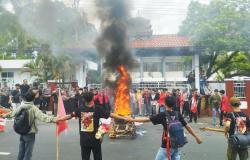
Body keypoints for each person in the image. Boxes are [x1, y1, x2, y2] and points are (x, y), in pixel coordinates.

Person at [57, 91, 129, 160]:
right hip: (96, 139)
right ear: (93, 98)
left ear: (84, 99)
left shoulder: (80, 109)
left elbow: (69, 116)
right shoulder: (98, 109)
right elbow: (110, 114)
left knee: (85, 158)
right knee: (97, 158)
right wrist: (123, 117)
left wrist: (59, 119)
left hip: (84, 140)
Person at [130, 96, 202, 160]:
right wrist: (196, 137)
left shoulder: (163, 115)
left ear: (165, 104)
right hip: (178, 144)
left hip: (166, 146)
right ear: (174, 104)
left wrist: (132, 120)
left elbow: (146, 119)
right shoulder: (178, 114)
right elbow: (187, 126)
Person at [0, 89, 59, 160]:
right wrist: (55, 119)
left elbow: (11, 114)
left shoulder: (21, 106)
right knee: (28, 153)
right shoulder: (33, 108)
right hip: (30, 132)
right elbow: (44, 117)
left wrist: (3, 115)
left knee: (21, 151)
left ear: (25, 98)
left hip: (21, 131)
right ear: (33, 99)